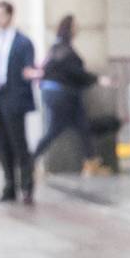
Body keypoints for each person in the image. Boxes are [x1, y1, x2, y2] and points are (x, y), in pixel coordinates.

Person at [31, 14, 112, 178]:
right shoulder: (66, 51)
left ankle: (91, 162)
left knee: (82, 127)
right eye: (75, 26)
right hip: (64, 94)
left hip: (56, 93)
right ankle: (30, 161)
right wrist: (97, 79)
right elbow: (76, 73)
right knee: (57, 129)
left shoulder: (56, 49)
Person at [0, 0, 37, 205]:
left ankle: (26, 185)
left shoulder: (23, 42)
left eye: (0, 14)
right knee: (2, 144)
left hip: (14, 96)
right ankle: (10, 186)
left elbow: (28, 67)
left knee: (19, 143)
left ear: (9, 15)